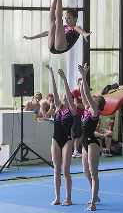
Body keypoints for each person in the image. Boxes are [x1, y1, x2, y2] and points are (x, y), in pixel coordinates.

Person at [23, 0, 92, 54]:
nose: (66, 20)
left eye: (68, 18)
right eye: (65, 18)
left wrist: (85, 34)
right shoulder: (64, 28)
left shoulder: (75, 28)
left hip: (61, 47)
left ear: (75, 19)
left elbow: (80, 30)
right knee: (52, 22)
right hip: (51, 47)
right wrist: (32, 37)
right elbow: (47, 33)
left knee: (58, 21)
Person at [46, 65, 76, 206]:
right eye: (63, 96)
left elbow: (68, 95)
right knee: (56, 169)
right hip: (56, 140)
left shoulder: (72, 110)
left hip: (67, 141)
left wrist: (64, 79)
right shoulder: (58, 108)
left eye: (67, 96)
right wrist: (52, 74)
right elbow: (54, 91)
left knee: (65, 169)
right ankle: (57, 197)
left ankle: (68, 198)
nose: (64, 96)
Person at [78, 63, 106, 211]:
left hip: (92, 143)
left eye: (95, 97)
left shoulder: (95, 110)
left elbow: (87, 95)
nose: (92, 96)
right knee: (85, 171)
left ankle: (93, 204)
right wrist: (83, 79)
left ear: (97, 103)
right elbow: (84, 94)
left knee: (94, 173)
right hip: (84, 142)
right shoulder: (88, 108)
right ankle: (95, 195)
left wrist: (84, 76)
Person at [72, 78, 85, 158]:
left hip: (82, 115)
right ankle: (73, 150)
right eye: (81, 84)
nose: (82, 86)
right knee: (75, 134)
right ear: (78, 84)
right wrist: (86, 106)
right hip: (76, 115)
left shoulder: (83, 94)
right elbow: (77, 104)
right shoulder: (74, 92)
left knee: (80, 134)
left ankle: (76, 150)